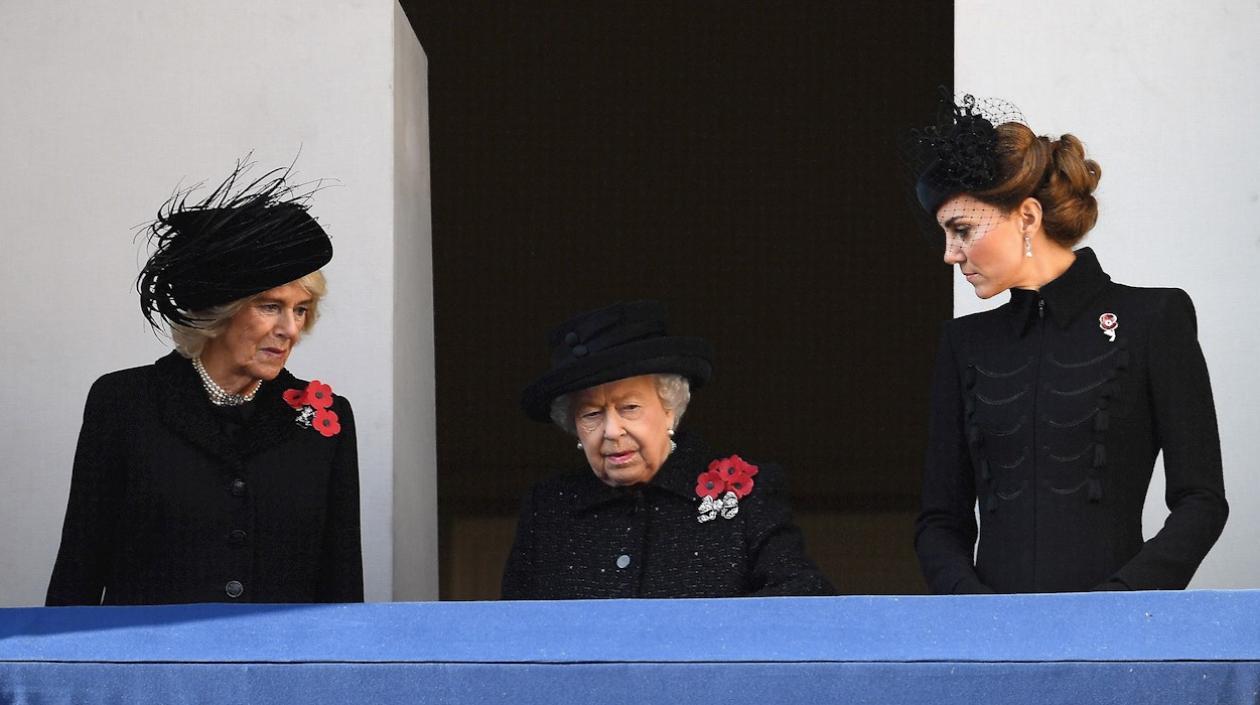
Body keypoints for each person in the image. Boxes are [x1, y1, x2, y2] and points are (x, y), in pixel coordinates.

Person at [910, 94, 1228, 593]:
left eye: (962, 230)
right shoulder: (965, 342)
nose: (951, 254)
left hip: (1116, 636)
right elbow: (939, 520)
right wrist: (976, 615)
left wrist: (1119, 605)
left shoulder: (1154, 319)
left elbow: (1202, 500)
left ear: (1028, 217)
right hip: (990, 642)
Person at [46, 162, 363, 605]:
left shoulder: (324, 418)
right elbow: (80, 562)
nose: (289, 329)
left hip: (280, 668)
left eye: (301, 310)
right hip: (148, 666)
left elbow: (341, 581)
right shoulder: (124, 402)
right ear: (221, 310)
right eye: (271, 306)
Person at [502, 300, 834, 599]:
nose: (612, 431)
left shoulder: (747, 497)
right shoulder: (548, 509)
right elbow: (512, 632)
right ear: (574, 426)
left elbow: (805, 595)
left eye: (630, 407)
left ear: (669, 408)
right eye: (591, 414)